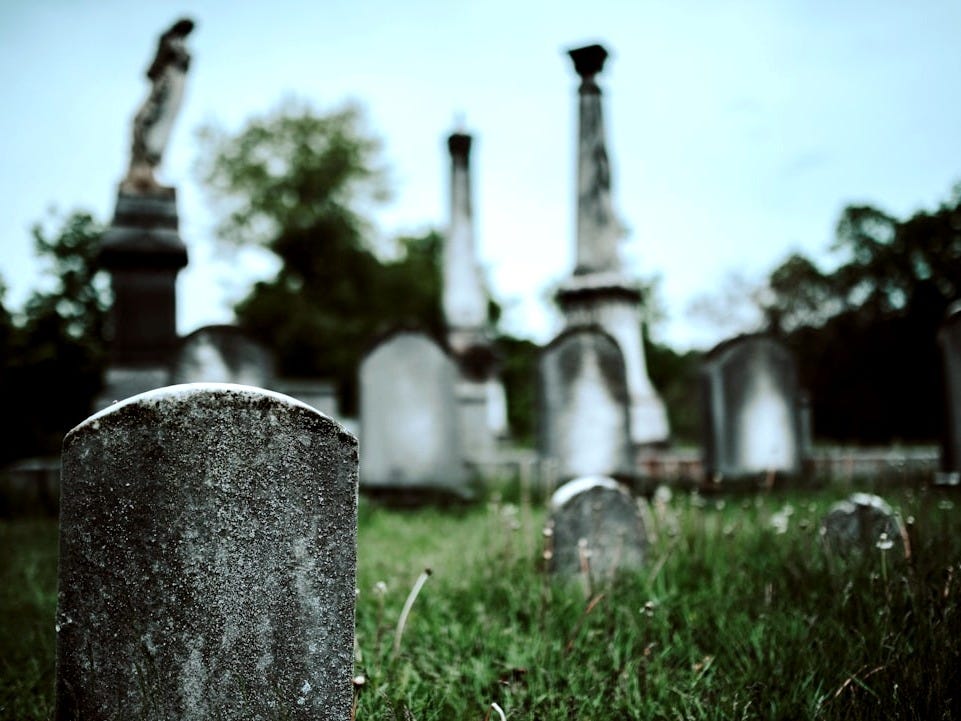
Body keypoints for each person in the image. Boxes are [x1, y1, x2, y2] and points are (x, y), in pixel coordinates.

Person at [122, 18, 195, 192]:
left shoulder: (183, 55)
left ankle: (146, 171)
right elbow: (152, 70)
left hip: (171, 88)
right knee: (141, 122)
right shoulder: (169, 42)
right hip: (162, 86)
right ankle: (138, 171)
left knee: (156, 126)